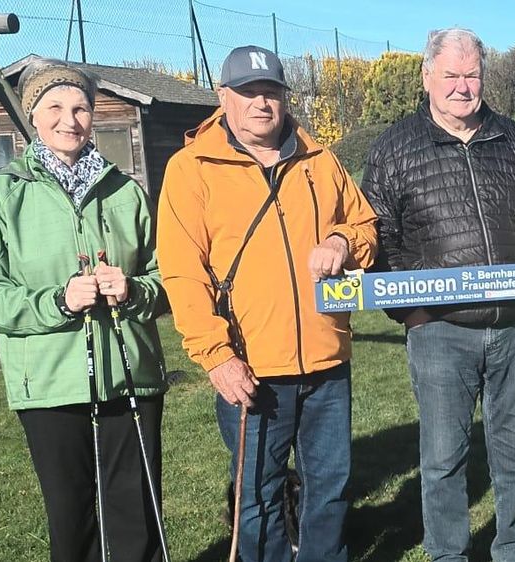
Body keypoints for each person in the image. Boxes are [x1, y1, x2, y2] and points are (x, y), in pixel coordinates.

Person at [157, 45, 377, 562]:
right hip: (251, 366)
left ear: (284, 97)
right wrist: (216, 356)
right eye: (249, 92)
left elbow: (365, 224)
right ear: (223, 97)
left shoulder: (319, 160)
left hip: (327, 361)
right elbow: (182, 274)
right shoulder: (191, 169)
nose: (262, 103)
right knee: (257, 497)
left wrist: (343, 242)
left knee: (331, 489)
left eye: (272, 92)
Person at [359, 28, 515, 562]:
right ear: (427, 77)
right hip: (440, 331)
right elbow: (377, 236)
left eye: (471, 75)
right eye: (450, 75)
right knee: (444, 457)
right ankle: (447, 553)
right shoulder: (395, 149)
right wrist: (413, 311)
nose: (462, 87)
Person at [0, 59, 168, 562]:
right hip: (50, 385)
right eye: (54, 107)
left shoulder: (126, 191)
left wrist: (135, 289)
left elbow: (167, 276)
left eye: (80, 107)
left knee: (136, 518)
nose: (68, 119)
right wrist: (58, 300)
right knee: (71, 520)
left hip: (130, 377)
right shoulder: (2, 195)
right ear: (33, 116)